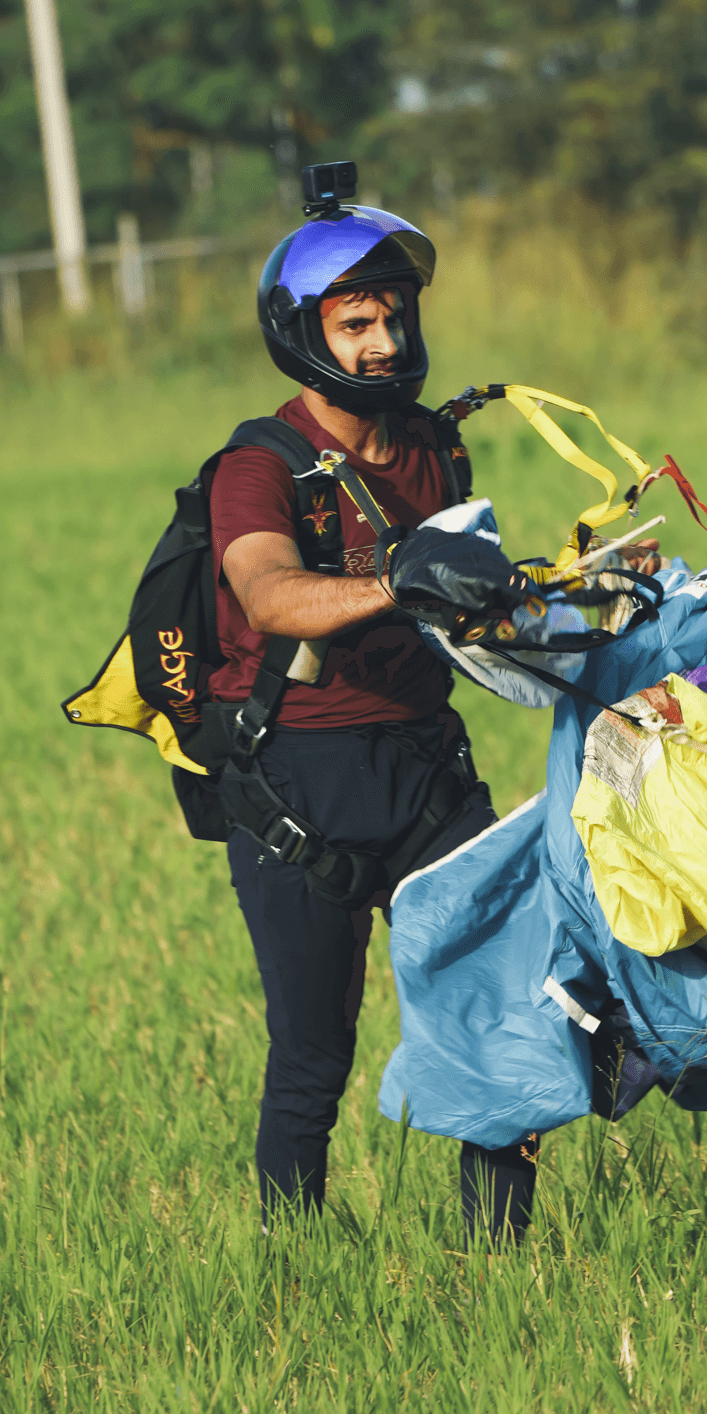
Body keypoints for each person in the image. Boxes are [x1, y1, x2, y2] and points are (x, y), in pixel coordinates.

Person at [210, 193, 544, 1243]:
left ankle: (497, 1268)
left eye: (394, 316)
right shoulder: (258, 465)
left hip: (426, 772)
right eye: (356, 322)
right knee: (313, 1050)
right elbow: (268, 595)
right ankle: (295, 1273)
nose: (385, 341)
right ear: (305, 334)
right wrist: (400, 578)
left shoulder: (433, 450)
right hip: (297, 783)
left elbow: (473, 609)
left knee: (500, 1021)